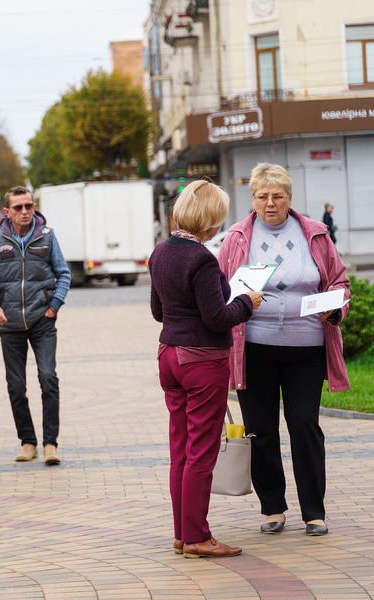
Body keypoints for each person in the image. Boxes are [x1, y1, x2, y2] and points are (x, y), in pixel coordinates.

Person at [218, 163, 350, 537]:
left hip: (306, 349)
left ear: (290, 199)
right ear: (253, 200)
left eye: (278, 196)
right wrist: (238, 299)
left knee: (305, 425)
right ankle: (272, 508)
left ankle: (314, 512)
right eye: (263, 196)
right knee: (261, 431)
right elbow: (219, 286)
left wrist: (334, 307)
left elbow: (340, 281)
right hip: (254, 350)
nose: (270, 203)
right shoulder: (237, 237)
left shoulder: (316, 234)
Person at [150, 181, 263, 559]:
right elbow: (218, 318)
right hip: (201, 360)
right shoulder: (201, 259)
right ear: (210, 219)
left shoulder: (160, 252)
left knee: (180, 450)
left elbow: (157, 311)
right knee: (202, 452)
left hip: (169, 356)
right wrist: (247, 302)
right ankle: (198, 536)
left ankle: (182, 534)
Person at [0, 185, 71, 465]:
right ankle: (28, 441)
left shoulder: (47, 237)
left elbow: (64, 274)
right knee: (16, 386)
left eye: (29, 206)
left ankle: (50, 444)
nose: (24, 212)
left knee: (48, 378)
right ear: (6, 212)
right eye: (18, 208)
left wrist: (53, 306)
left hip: (42, 321)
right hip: (9, 323)